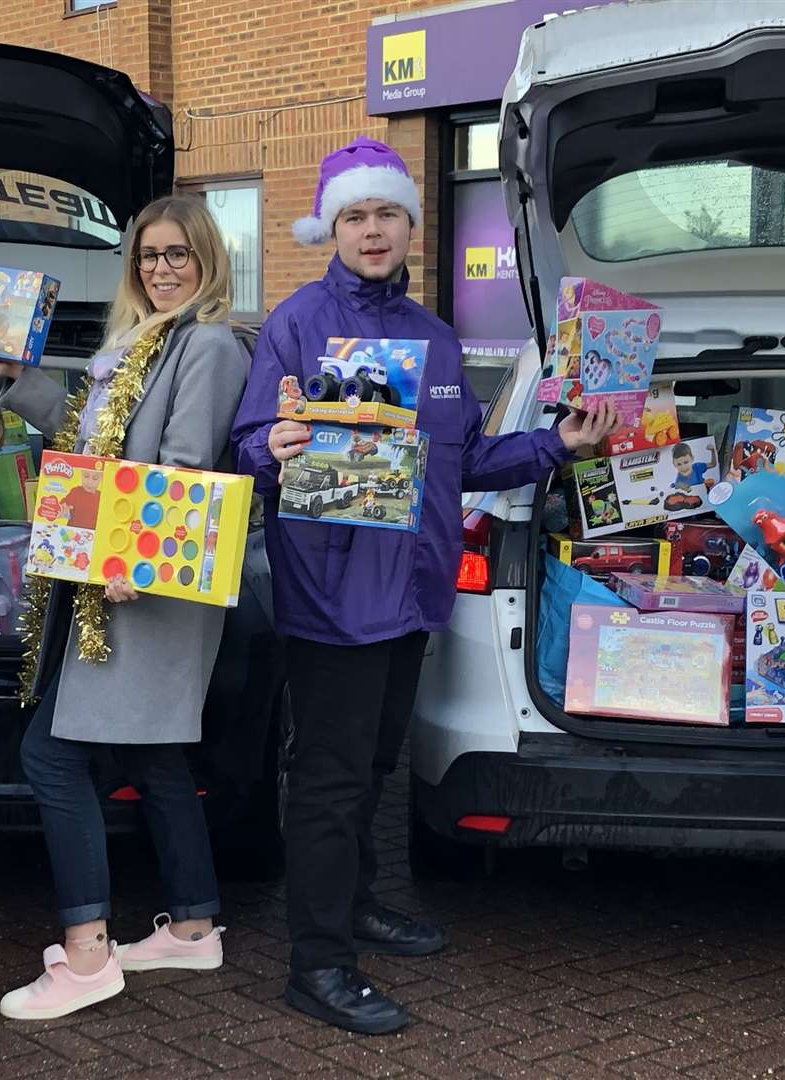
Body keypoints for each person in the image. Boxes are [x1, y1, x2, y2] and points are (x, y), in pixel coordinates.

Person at [229, 136, 618, 1035]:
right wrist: (273, 448)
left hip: (412, 596)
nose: (373, 230)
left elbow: (471, 460)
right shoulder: (296, 323)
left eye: (387, 214)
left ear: (411, 225)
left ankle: (357, 904)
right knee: (327, 781)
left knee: (373, 768)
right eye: (356, 216)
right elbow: (249, 444)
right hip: (330, 598)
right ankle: (316, 963)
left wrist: (562, 445)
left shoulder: (436, 340)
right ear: (334, 228)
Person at [0, 195, 251, 1021]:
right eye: (149, 255)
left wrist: (136, 562)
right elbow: (88, 441)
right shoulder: (134, 345)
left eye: (177, 255)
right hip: (114, 576)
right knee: (156, 760)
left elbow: (184, 470)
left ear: (206, 261)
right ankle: (193, 928)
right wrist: (13, 379)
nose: (162, 268)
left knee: (52, 757)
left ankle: (87, 957)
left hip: (145, 585)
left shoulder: (207, 342)